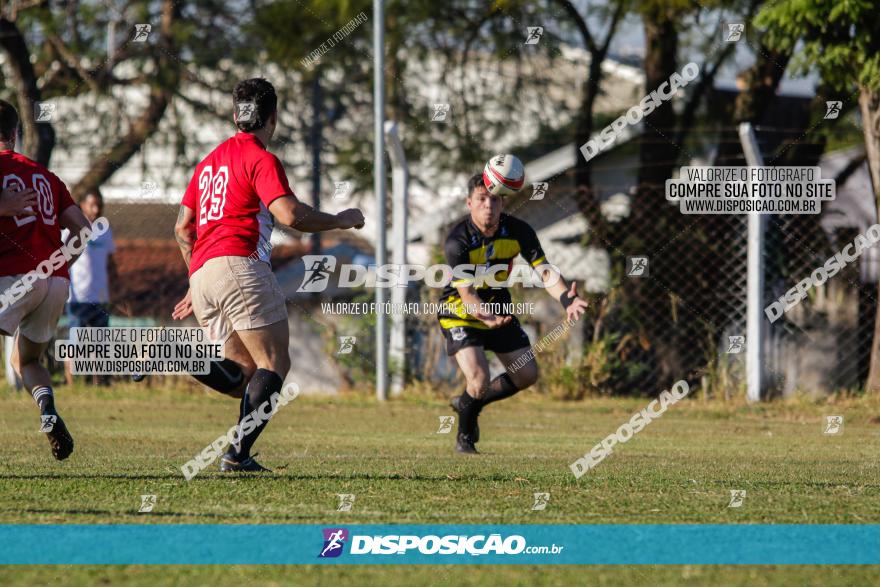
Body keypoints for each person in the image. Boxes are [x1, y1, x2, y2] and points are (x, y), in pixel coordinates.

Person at [171, 78, 364, 473]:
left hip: (204, 273)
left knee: (244, 376)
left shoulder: (208, 163)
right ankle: (237, 456)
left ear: (234, 114)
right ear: (273, 117)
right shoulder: (259, 158)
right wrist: (340, 219)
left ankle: (180, 356)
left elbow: (181, 228)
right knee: (275, 365)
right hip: (239, 264)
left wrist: (196, 278)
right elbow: (290, 215)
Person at [439, 172, 588, 454]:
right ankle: (465, 438)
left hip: (500, 312)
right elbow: (468, 296)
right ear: (468, 203)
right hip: (460, 313)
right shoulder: (457, 241)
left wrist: (567, 299)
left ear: (503, 203)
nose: (488, 206)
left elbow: (544, 271)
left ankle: (470, 403)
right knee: (479, 379)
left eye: (494, 199)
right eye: (481, 199)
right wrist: (486, 317)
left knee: (526, 375)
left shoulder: (519, 231)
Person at [0, 99, 93, 460]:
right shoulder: (47, 177)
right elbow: (83, 231)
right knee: (28, 360)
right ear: (16, 133)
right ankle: (47, 410)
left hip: (13, 278)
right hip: (55, 281)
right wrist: (56, 263)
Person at [64, 190, 117, 386]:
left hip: (101, 297)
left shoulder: (105, 229)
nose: (96, 209)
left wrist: (115, 288)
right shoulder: (72, 229)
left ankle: (99, 383)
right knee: (75, 343)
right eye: (92, 205)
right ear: (83, 205)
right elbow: (63, 260)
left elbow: (111, 263)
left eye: (99, 205)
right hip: (78, 298)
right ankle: (71, 384)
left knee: (100, 343)